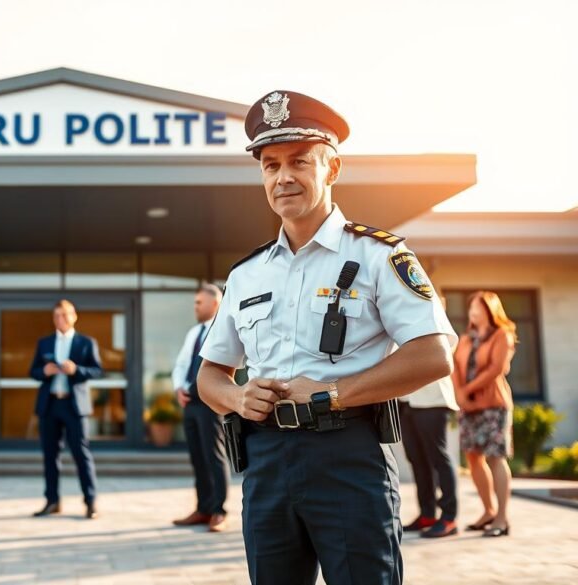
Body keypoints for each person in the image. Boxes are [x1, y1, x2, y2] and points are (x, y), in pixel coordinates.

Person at [197, 90, 457, 584]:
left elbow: (433, 354)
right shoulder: (246, 274)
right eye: (270, 165)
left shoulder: (380, 255)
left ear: (331, 169)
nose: (283, 177)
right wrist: (236, 397)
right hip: (267, 461)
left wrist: (331, 395)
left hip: (349, 457)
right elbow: (210, 374)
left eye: (299, 161)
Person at [28, 299, 102, 519]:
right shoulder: (44, 343)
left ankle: (90, 502)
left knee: (81, 454)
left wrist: (76, 369)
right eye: (57, 315)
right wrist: (45, 371)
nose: (61, 319)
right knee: (50, 455)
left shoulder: (86, 342)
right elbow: (33, 371)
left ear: (74, 316)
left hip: (74, 405)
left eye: (65, 314)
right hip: (50, 404)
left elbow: (97, 370)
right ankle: (52, 501)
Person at [453, 291, 517, 538]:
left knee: (495, 457)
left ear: (490, 309)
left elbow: (496, 368)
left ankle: (502, 517)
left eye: (479, 307)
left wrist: (467, 390)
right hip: (467, 407)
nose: (473, 312)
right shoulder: (465, 338)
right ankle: (488, 511)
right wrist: (459, 395)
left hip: (494, 405)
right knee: (473, 458)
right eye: (471, 308)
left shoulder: (502, 335)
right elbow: (454, 367)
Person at [171, 283, 230, 533]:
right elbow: (182, 363)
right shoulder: (194, 332)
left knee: (213, 456)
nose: (195, 306)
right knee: (197, 457)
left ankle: (219, 510)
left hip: (211, 403)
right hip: (191, 404)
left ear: (214, 303)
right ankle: (203, 509)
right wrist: (178, 388)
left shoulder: (225, 329)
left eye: (199, 302)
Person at [398, 374, 459, 538]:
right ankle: (427, 515)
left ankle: (448, 517)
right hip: (404, 399)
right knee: (417, 460)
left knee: (439, 458)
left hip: (432, 399)